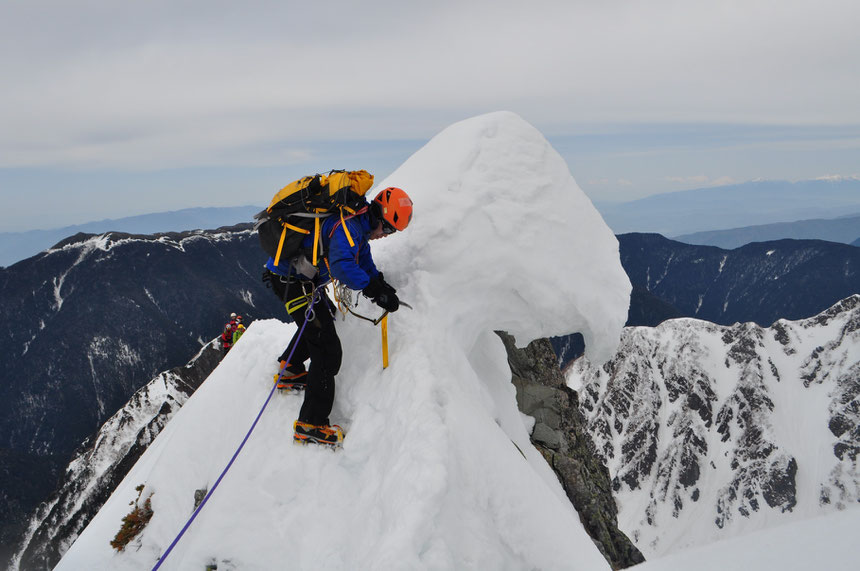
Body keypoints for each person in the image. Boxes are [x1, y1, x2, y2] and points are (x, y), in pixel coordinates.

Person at [263, 186, 413, 446]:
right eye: (388, 229)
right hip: (292, 281)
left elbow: (362, 261)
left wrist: (379, 284)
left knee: (323, 319)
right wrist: (373, 290)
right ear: (380, 216)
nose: (386, 236)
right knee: (327, 348)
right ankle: (310, 424)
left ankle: (291, 369)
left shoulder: (358, 225)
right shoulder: (350, 226)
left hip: (296, 278)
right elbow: (344, 267)